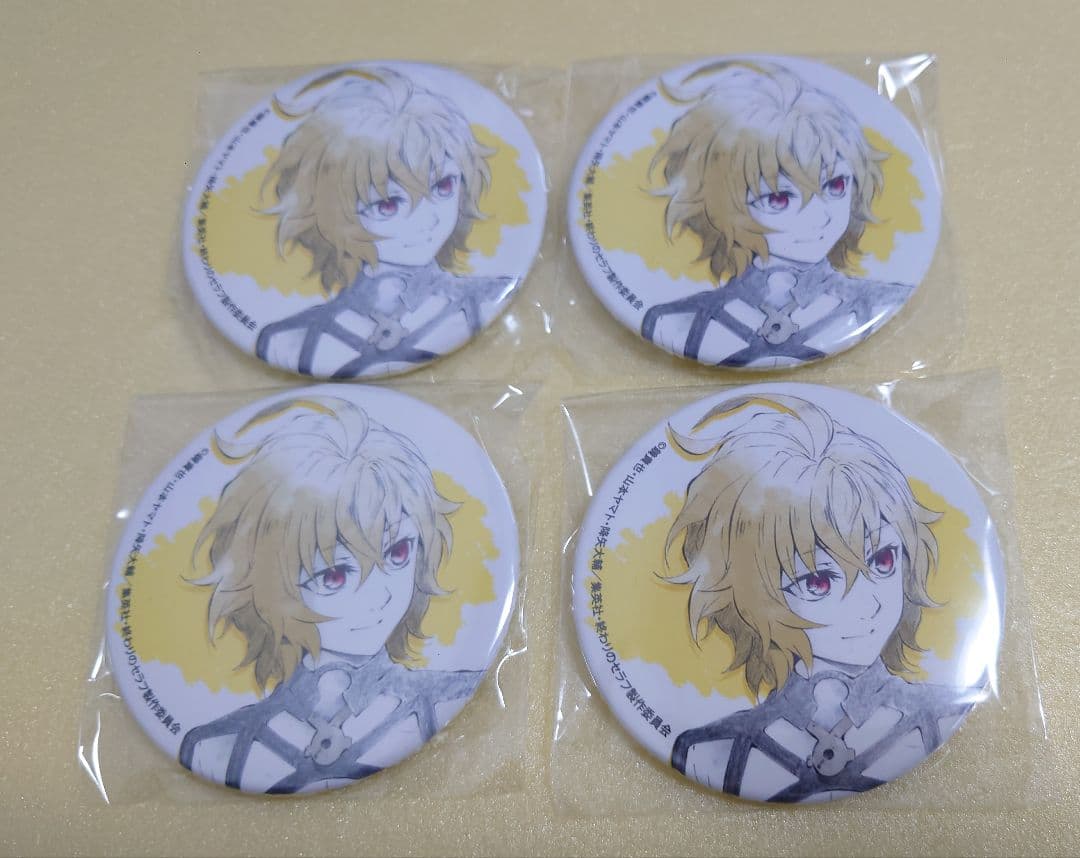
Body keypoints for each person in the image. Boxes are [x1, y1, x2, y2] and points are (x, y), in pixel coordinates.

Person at [664, 394, 977, 802]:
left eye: (883, 560)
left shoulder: (946, 714)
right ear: (752, 596)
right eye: (817, 583)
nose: (870, 605)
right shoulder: (712, 752)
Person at [178, 396, 481, 794]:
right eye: (334, 575)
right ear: (269, 585)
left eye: (398, 553)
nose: (379, 597)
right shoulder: (218, 746)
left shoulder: (455, 701)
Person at [641, 62, 911, 368]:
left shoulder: (884, 304)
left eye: (835, 185)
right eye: (779, 199)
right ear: (720, 206)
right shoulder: (676, 323)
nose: (820, 218)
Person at [255, 68, 512, 378]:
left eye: (443, 186)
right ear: (331, 212)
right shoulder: (289, 341)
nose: (429, 219)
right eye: (387, 205)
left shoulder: (490, 302)